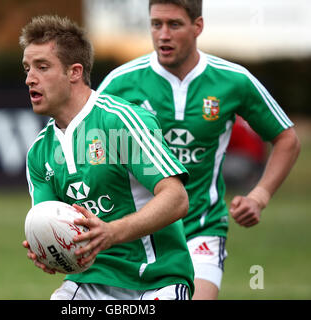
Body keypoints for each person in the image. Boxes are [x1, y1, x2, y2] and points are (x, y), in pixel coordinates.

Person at [97, 0, 301, 300]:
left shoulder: (233, 81)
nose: (163, 34)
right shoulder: (121, 83)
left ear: (198, 27)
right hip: (137, 233)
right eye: (156, 24)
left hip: (202, 228)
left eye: (174, 24)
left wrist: (260, 195)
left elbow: (287, 139)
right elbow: (87, 148)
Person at [20, 14, 195, 300]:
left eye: (42, 67)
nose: (30, 79)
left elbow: (176, 199)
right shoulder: (39, 153)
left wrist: (111, 232)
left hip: (155, 280)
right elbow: (48, 219)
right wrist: (45, 246)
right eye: (27, 69)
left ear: (74, 72)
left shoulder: (121, 121)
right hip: (89, 282)